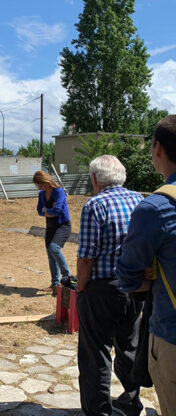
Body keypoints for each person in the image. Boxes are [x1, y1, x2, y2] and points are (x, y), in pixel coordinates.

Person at [116, 115, 176, 416]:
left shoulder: (155, 208)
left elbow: (127, 276)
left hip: (171, 334)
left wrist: (146, 279)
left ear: (157, 149)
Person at [76, 155, 144, 416]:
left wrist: (81, 289)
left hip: (102, 289)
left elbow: (86, 257)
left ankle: (98, 410)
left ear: (95, 178)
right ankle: (131, 399)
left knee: (96, 352)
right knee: (129, 345)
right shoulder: (139, 200)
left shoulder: (96, 205)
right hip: (135, 286)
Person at [33, 171, 72, 296]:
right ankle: (55, 284)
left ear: (46, 181)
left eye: (40, 185)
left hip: (63, 225)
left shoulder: (59, 191)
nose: (39, 188)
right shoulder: (41, 194)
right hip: (50, 226)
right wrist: (47, 210)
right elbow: (39, 210)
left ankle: (67, 276)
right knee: (50, 254)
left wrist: (48, 211)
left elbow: (57, 210)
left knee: (54, 248)